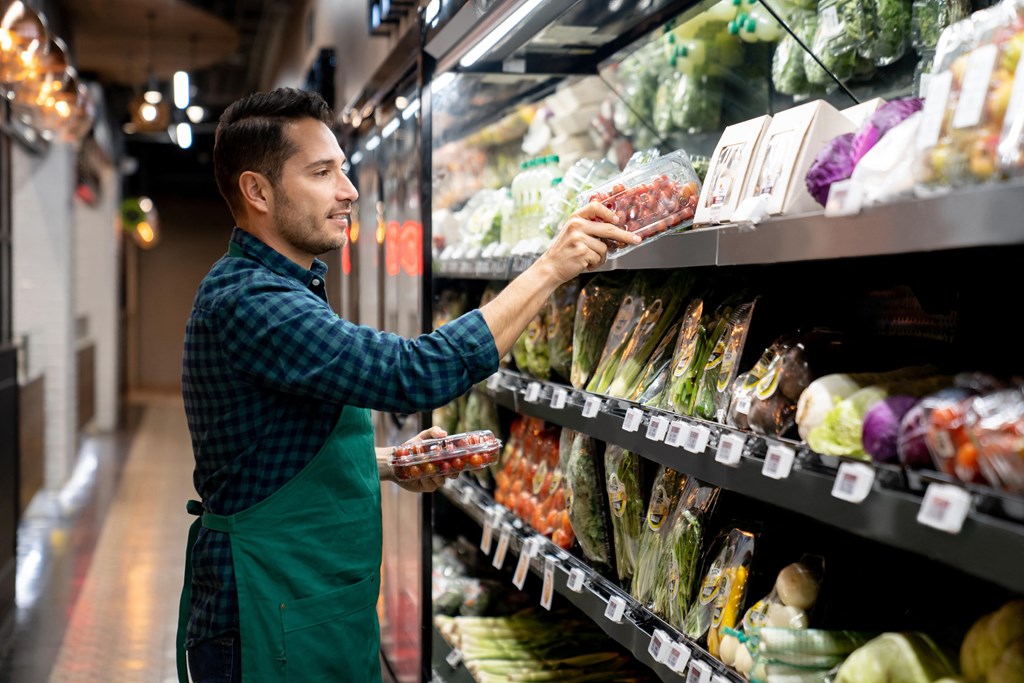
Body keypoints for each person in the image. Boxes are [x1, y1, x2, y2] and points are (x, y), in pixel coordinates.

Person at [177, 87, 638, 683]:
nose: (348, 191)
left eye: (342, 169)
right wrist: (551, 267)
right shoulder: (252, 302)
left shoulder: (280, 290)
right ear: (257, 191)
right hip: (268, 613)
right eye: (323, 172)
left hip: (303, 604)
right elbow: (414, 373)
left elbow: (271, 451)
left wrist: (390, 463)